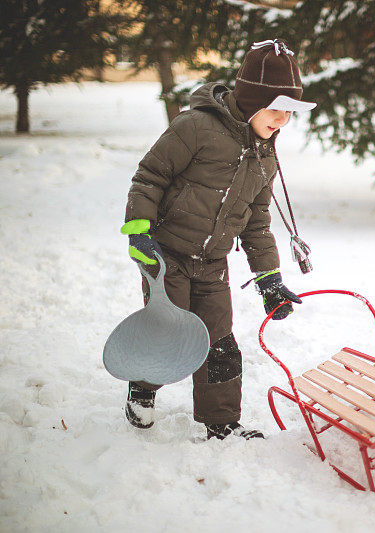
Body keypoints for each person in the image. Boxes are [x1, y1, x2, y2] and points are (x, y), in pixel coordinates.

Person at [122, 39, 316, 441]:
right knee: (167, 330)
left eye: (289, 112)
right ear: (250, 100)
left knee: (220, 343)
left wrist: (269, 278)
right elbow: (150, 177)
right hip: (166, 253)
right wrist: (139, 233)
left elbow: (257, 222)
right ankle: (142, 387)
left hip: (212, 263)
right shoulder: (196, 127)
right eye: (276, 107)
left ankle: (221, 421)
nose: (282, 119)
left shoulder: (265, 155)